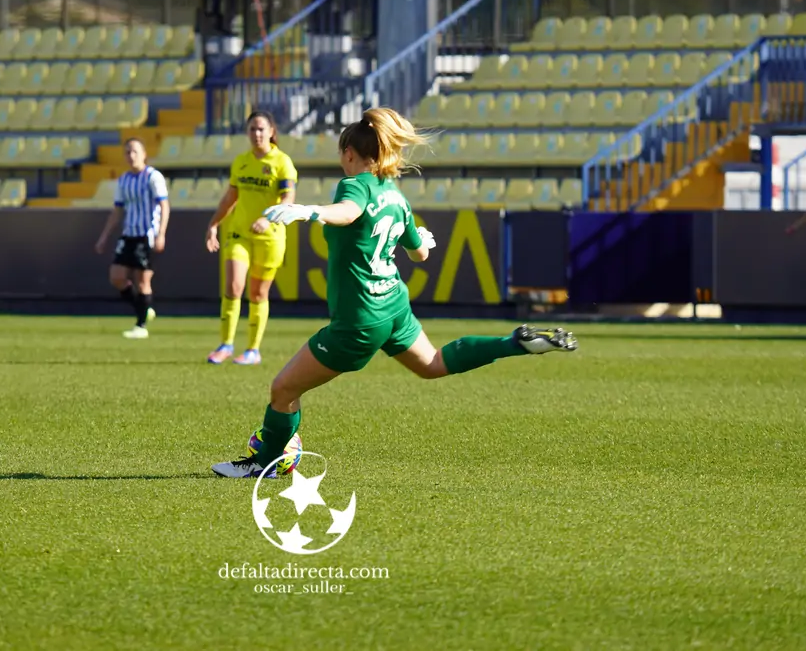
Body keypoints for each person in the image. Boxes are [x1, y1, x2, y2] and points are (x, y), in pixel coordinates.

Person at [211, 108, 578, 478]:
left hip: (359, 320)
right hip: (394, 307)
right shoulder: (395, 195)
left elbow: (348, 211)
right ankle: (514, 343)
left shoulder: (355, 184)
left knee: (283, 389)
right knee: (433, 364)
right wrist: (423, 241)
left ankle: (265, 463)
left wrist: (308, 211)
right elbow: (419, 253)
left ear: (350, 154)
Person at [204, 110, 298, 365]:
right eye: (252, 129)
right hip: (239, 232)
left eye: (260, 129)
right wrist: (214, 224)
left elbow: (288, 198)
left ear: (271, 132)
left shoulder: (282, 162)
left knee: (258, 294)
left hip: (270, 237)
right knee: (234, 286)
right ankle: (225, 345)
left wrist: (268, 218)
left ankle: (253, 350)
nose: (256, 134)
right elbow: (230, 197)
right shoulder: (241, 162)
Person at [95, 137, 170, 339]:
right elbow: (117, 210)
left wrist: (161, 233)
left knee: (143, 281)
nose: (131, 156)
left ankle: (141, 325)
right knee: (117, 277)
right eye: (127, 152)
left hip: (147, 235)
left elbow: (164, 206)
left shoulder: (153, 177)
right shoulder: (124, 180)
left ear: (144, 154)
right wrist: (104, 237)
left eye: (135, 151)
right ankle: (143, 308)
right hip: (129, 234)